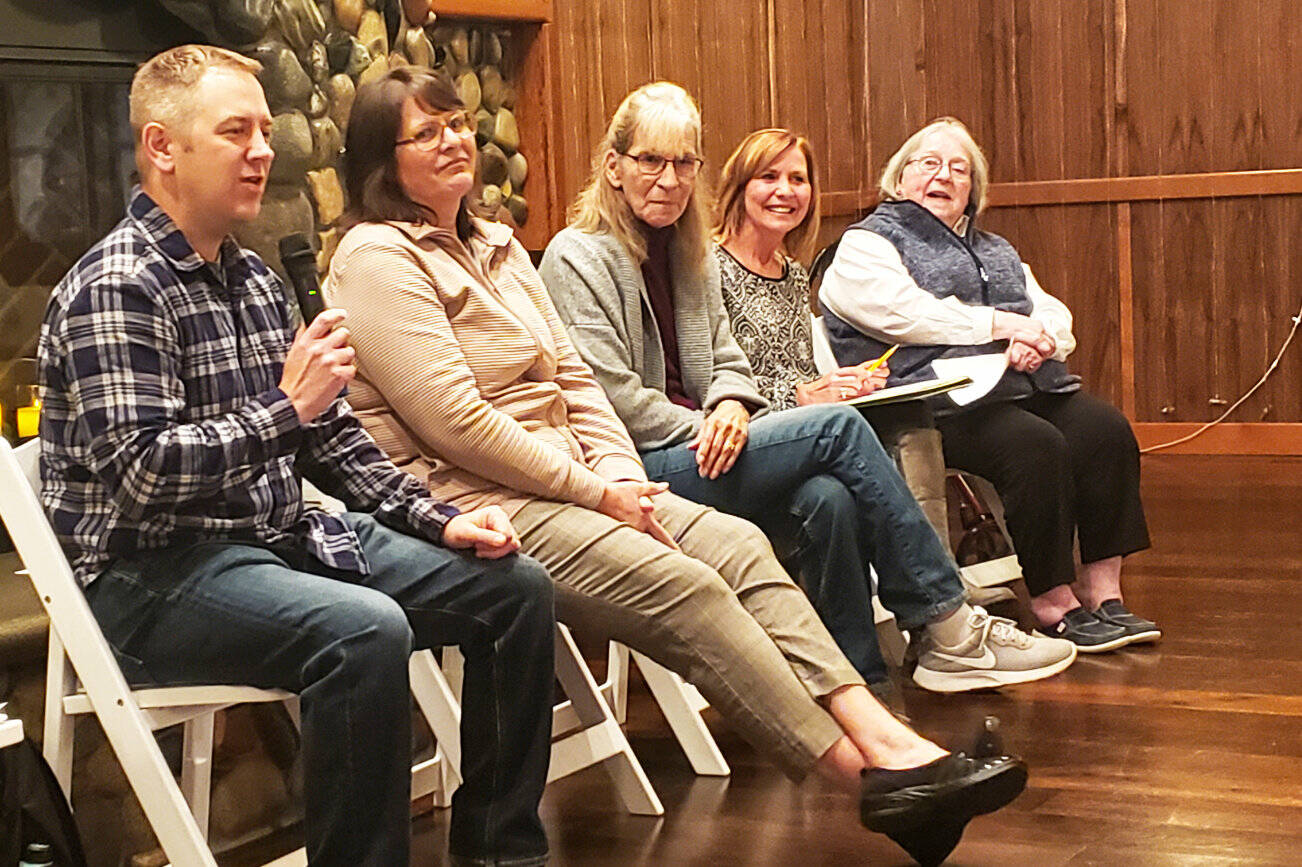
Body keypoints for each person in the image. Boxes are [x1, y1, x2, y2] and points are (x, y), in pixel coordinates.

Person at [325, 65, 1028, 863]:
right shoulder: (375, 258)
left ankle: (887, 734)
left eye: (456, 123)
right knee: (693, 578)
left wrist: (622, 477)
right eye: (426, 132)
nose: (453, 140)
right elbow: (457, 424)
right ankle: (873, 778)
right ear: (383, 162)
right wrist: (602, 486)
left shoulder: (496, 245)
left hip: (584, 476)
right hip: (482, 503)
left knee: (740, 547)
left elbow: (576, 380)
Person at [37, 46, 555, 867]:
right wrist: (285, 406)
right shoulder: (118, 285)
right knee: (364, 631)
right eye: (236, 131)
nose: (263, 152)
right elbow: (142, 473)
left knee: (515, 589)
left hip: (275, 543)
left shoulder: (254, 278)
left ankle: (499, 850)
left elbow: (330, 435)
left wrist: (439, 519)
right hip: (153, 577)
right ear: (162, 148)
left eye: (266, 131)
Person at [537, 83, 1075, 699]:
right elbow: (612, 401)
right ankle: (947, 624)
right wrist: (717, 422)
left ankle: (855, 689)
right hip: (641, 464)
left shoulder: (689, 255)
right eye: (651, 161)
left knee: (828, 498)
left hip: (715, 443)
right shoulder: (577, 256)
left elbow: (727, 361)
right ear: (614, 166)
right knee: (841, 429)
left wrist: (733, 406)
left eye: (684, 162)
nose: (669, 178)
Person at [818, 116, 1159, 651]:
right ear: (899, 179)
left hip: (1022, 388)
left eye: (960, 169)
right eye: (929, 164)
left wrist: (1040, 338)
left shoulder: (995, 248)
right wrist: (1001, 327)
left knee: (1105, 430)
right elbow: (905, 314)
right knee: (1035, 446)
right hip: (935, 405)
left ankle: (1104, 592)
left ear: (973, 189)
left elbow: (1050, 312)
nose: (945, 176)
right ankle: (1052, 599)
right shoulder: (867, 244)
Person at [713, 127, 885, 410]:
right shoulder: (708, 267)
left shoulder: (793, 274)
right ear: (740, 186)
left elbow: (801, 375)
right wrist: (799, 397)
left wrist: (842, 382)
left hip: (808, 422)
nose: (785, 191)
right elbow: (701, 378)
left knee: (910, 414)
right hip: (747, 424)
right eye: (769, 177)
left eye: (798, 179)